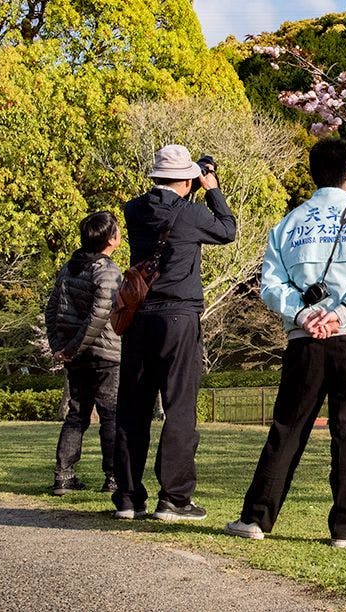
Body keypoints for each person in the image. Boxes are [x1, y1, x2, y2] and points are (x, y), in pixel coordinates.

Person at [225, 137, 346, 546]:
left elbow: (270, 285)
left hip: (304, 341)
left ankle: (257, 519)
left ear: (312, 173)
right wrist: (340, 314)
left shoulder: (287, 225)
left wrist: (304, 314)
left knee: (287, 428)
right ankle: (344, 529)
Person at [112, 144, 236, 522]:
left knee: (133, 407)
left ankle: (129, 497)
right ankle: (175, 498)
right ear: (186, 180)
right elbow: (228, 230)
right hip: (179, 316)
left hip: (139, 318)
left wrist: (190, 180)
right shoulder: (195, 212)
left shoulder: (134, 210)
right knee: (179, 406)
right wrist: (211, 186)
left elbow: (167, 204)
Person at [44, 210, 124, 496]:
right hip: (104, 355)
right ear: (111, 239)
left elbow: (51, 309)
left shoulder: (68, 268)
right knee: (111, 415)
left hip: (74, 355)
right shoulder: (108, 272)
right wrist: (71, 347)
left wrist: (60, 347)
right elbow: (98, 317)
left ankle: (63, 475)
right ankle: (113, 477)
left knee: (77, 414)